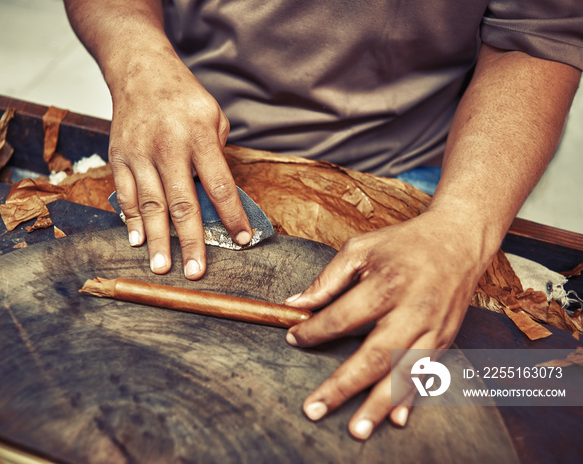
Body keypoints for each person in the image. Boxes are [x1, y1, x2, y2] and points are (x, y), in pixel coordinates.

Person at [64, 0, 582, 440]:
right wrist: (140, 65)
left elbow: (535, 35)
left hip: (410, 160)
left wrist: (462, 226)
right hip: (191, 130)